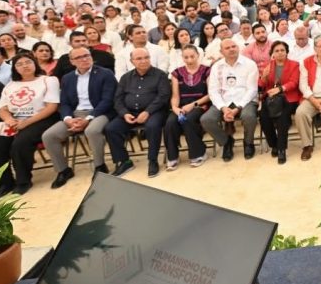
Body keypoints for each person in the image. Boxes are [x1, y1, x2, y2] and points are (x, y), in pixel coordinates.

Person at [0, 53, 61, 196]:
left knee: (20, 143)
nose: (25, 66)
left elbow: (52, 107)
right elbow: (2, 109)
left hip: (42, 119)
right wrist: (9, 120)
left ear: (35, 63)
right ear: (15, 69)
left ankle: (23, 181)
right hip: (15, 121)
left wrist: (26, 122)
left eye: (28, 62)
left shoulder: (49, 80)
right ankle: (5, 183)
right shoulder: (10, 85)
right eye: (19, 64)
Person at [41, 47, 117, 187]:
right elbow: (64, 102)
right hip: (76, 114)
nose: (84, 59)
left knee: (92, 131)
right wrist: (68, 119)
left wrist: (88, 119)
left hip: (99, 112)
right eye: (79, 57)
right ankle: (63, 170)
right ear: (72, 61)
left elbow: (107, 100)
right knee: (49, 135)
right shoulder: (68, 78)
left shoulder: (105, 73)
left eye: (86, 55)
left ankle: (100, 166)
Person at [105, 48, 171, 178]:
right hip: (130, 113)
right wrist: (124, 113)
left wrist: (147, 112)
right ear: (132, 61)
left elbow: (163, 97)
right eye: (139, 58)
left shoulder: (160, 75)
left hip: (154, 112)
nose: (143, 61)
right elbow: (118, 99)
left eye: (146, 57)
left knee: (152, 126)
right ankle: (124, 161)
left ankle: (152, 160)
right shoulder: (126, 77)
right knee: (111, 128)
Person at [202, 38, 259, 161]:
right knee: (206, 119)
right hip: (224, 101)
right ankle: (226, 142)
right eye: (227, 48)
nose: (231, 49)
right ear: (221, 52)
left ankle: (248, 142)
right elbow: (213, 91)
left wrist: (238, 108)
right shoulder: (216, 66)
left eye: (233, 46)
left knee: (249, 116)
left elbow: (252, 90)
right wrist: (223, 108)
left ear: (238, 48)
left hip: (246, 100)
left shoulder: (250, 64)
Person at [164, 45, 211, 170]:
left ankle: (199, 153)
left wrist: (193, 104)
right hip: (181, 106)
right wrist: (175, 108)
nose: (189, 60)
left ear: (198, 55)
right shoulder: (177, 73)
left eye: (192, 56)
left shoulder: (207, 70)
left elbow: (210, 94)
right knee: (170, 122)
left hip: (200, 104)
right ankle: (172, 156)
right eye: (186, 57)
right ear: (182, 58)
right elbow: (175, 95)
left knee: (189, 119)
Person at [257, 41, 301, 164]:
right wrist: (264, 77)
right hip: (271, 98)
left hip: (288, 97)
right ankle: (274, 145)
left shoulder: (294, 65)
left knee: (282, 118)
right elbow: (261, 85)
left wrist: (280, 89)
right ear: (272, 53)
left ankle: (281, 149)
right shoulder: (268, 65)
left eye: (282, 50)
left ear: (287, 52)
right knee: (263, 117)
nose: (280, 53)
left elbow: (294, 82)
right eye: (277, 51)